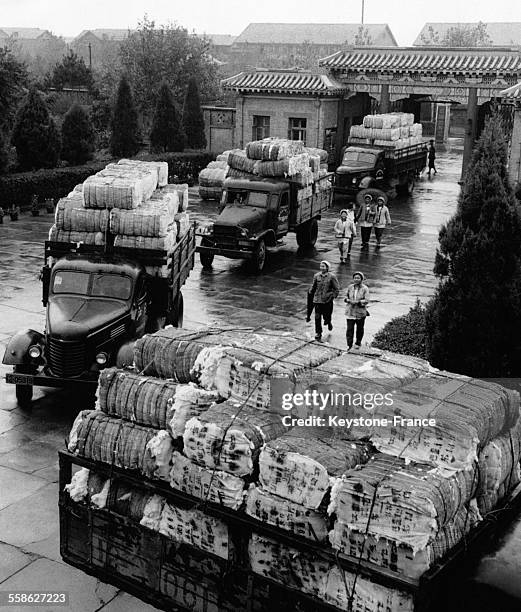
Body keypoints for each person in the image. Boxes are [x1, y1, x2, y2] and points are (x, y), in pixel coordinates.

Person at [307, 261, 340, 341]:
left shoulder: (332, 277)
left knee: (327, 315)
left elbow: (336, 288)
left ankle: (328, 322)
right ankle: (318, 332)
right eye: (321, 266)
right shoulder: (316, 276)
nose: (322, 268)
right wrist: (310, 292)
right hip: (317, 299)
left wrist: (333, 296)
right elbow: (314, 286)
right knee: (317, 317)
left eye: (324, 266)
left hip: (327, 300)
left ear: (327, 268)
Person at [344, 271, 370, 350]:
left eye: (358, 278)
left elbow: (367, 300)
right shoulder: (350, 287)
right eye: (355, 278)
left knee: (359, 329)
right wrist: (348, 300)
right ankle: (349, 345)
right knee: (349, 329)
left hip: (360, 312)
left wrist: (358, 302)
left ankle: (358, 343)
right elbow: (345, 297)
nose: (356, 279)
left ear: (362, 279)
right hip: (350, 311)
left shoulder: (365, 288)